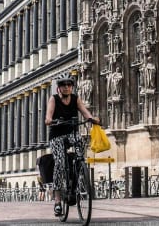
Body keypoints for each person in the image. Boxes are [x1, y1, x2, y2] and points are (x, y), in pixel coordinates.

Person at [45, 72, 98, 217]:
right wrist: (50, 120)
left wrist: (92, 119)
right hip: (57, 135)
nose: (67, 87)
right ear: (59, 88)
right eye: (63, 85)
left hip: (72, 133)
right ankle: (57, 201)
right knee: (60, 163)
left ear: (72, 87)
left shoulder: (75, 99)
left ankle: (76, 181)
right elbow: (48, 116)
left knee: (80, 153)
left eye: (69, 85)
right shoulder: (54, 99)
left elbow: (85, 112)